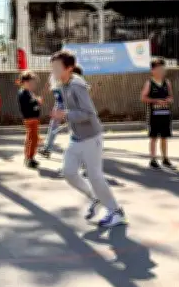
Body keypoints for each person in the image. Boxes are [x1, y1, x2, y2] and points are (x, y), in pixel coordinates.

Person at [50, 50, 125, 228]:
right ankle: (95, 198)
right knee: (68, 172)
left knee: (95, 176)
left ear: (69, 68)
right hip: (75, 138)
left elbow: (89, 113)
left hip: (91, 138)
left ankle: (116, 211)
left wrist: (65, 115)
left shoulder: (77, 85)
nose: (53, 70)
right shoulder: (62, 84)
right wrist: (59, 116)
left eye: (57, 67)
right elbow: (62, 106)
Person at [40, 64, 82, 159]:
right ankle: (47, 149)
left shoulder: (65, 73)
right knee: (53, 126)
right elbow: (50, 86)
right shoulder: (53, 75)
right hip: (59, 103)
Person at [140, 57, 175, 169]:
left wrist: (169, 100)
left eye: (162, 68)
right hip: (154, 115)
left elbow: (171, 97)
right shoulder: (149, 83)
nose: (161, 71)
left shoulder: (167, 82)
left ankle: (165, 158)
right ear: (153, 70)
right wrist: (155, 101)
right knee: (153, 137)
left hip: (165, 114)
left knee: (164, 137)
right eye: (159, 69)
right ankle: (153, 159)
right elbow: (143, 97)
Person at [17, 71, 42, 169]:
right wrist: (37, 101)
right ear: (25, 82)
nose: (32, 84)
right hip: (30, 118)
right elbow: (27, 106)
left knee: (32, 138)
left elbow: (33, 103)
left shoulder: (28, 92)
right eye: (30, 82)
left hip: (33, 118)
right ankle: (29, 158)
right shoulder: (23, 93)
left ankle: (30, 157)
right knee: (32, 139)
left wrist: (36, 101)